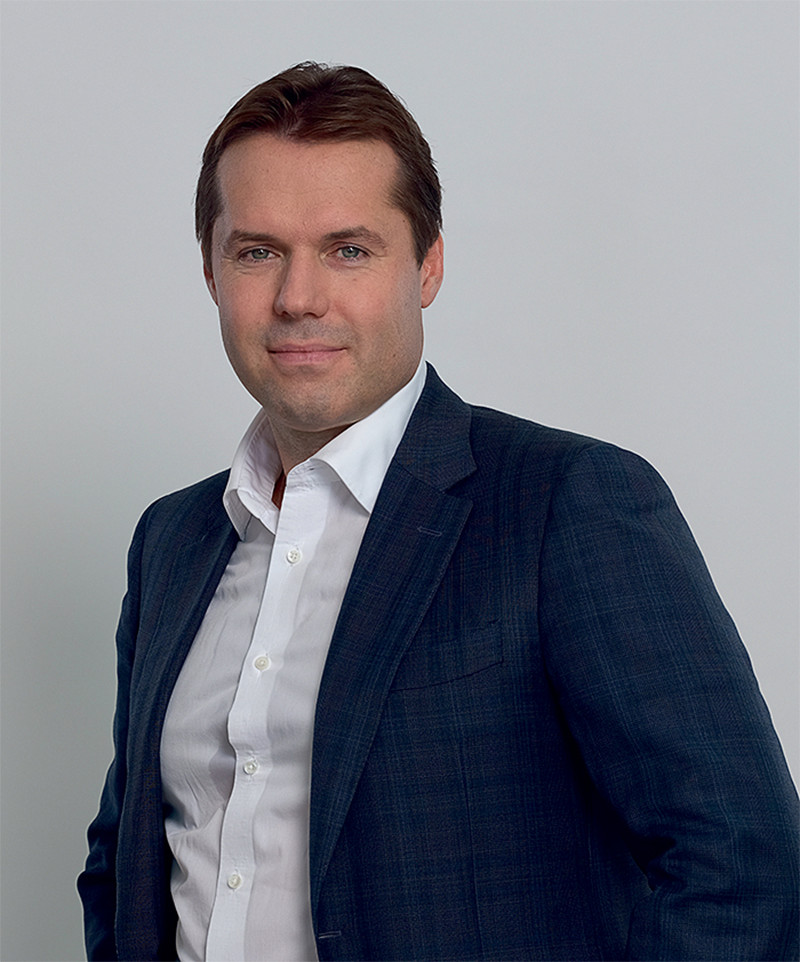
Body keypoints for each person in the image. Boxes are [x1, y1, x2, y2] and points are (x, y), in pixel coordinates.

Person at [78, 61, 799, 962]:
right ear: (212, 271)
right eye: (258, 251)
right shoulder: (174, 542)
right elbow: (127, 861)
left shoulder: (565, 504)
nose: (299, 298)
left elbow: (739, 862)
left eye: (349, 249)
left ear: (428, 266)